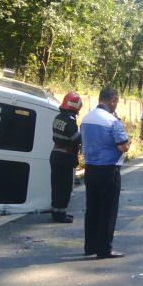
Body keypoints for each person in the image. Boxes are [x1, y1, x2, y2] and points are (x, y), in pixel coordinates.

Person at [80, 87, 131, 259]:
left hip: (90, 168)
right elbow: (123, 146)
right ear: (113, 101)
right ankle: (104, 249)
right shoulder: (112, 121)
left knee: (92, 208)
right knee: (108, 210)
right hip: (108, 170)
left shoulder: (86, 118)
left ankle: (90, 246)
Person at [50, 91, 82, 223]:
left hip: (56, 154)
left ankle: (56, 212)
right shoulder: (70, 121)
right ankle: (61, 214)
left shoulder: (58, 117)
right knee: (65, 187)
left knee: (56, 185)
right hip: (65, 157)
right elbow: (76, 138)